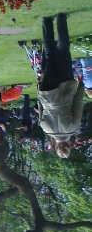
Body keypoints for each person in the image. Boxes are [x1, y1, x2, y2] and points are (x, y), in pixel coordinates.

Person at [37, 14, 85, 158]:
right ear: (56, 146)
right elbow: (40, 106)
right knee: (49, 54)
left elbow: (78, 102)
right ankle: (46, 22)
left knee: (63, 50)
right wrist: (39, 88)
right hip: (48, 91)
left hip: (65, 88)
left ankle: (62, 19)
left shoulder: (73, 128)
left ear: (69, 145)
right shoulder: (45, 129)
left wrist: (81, 85)